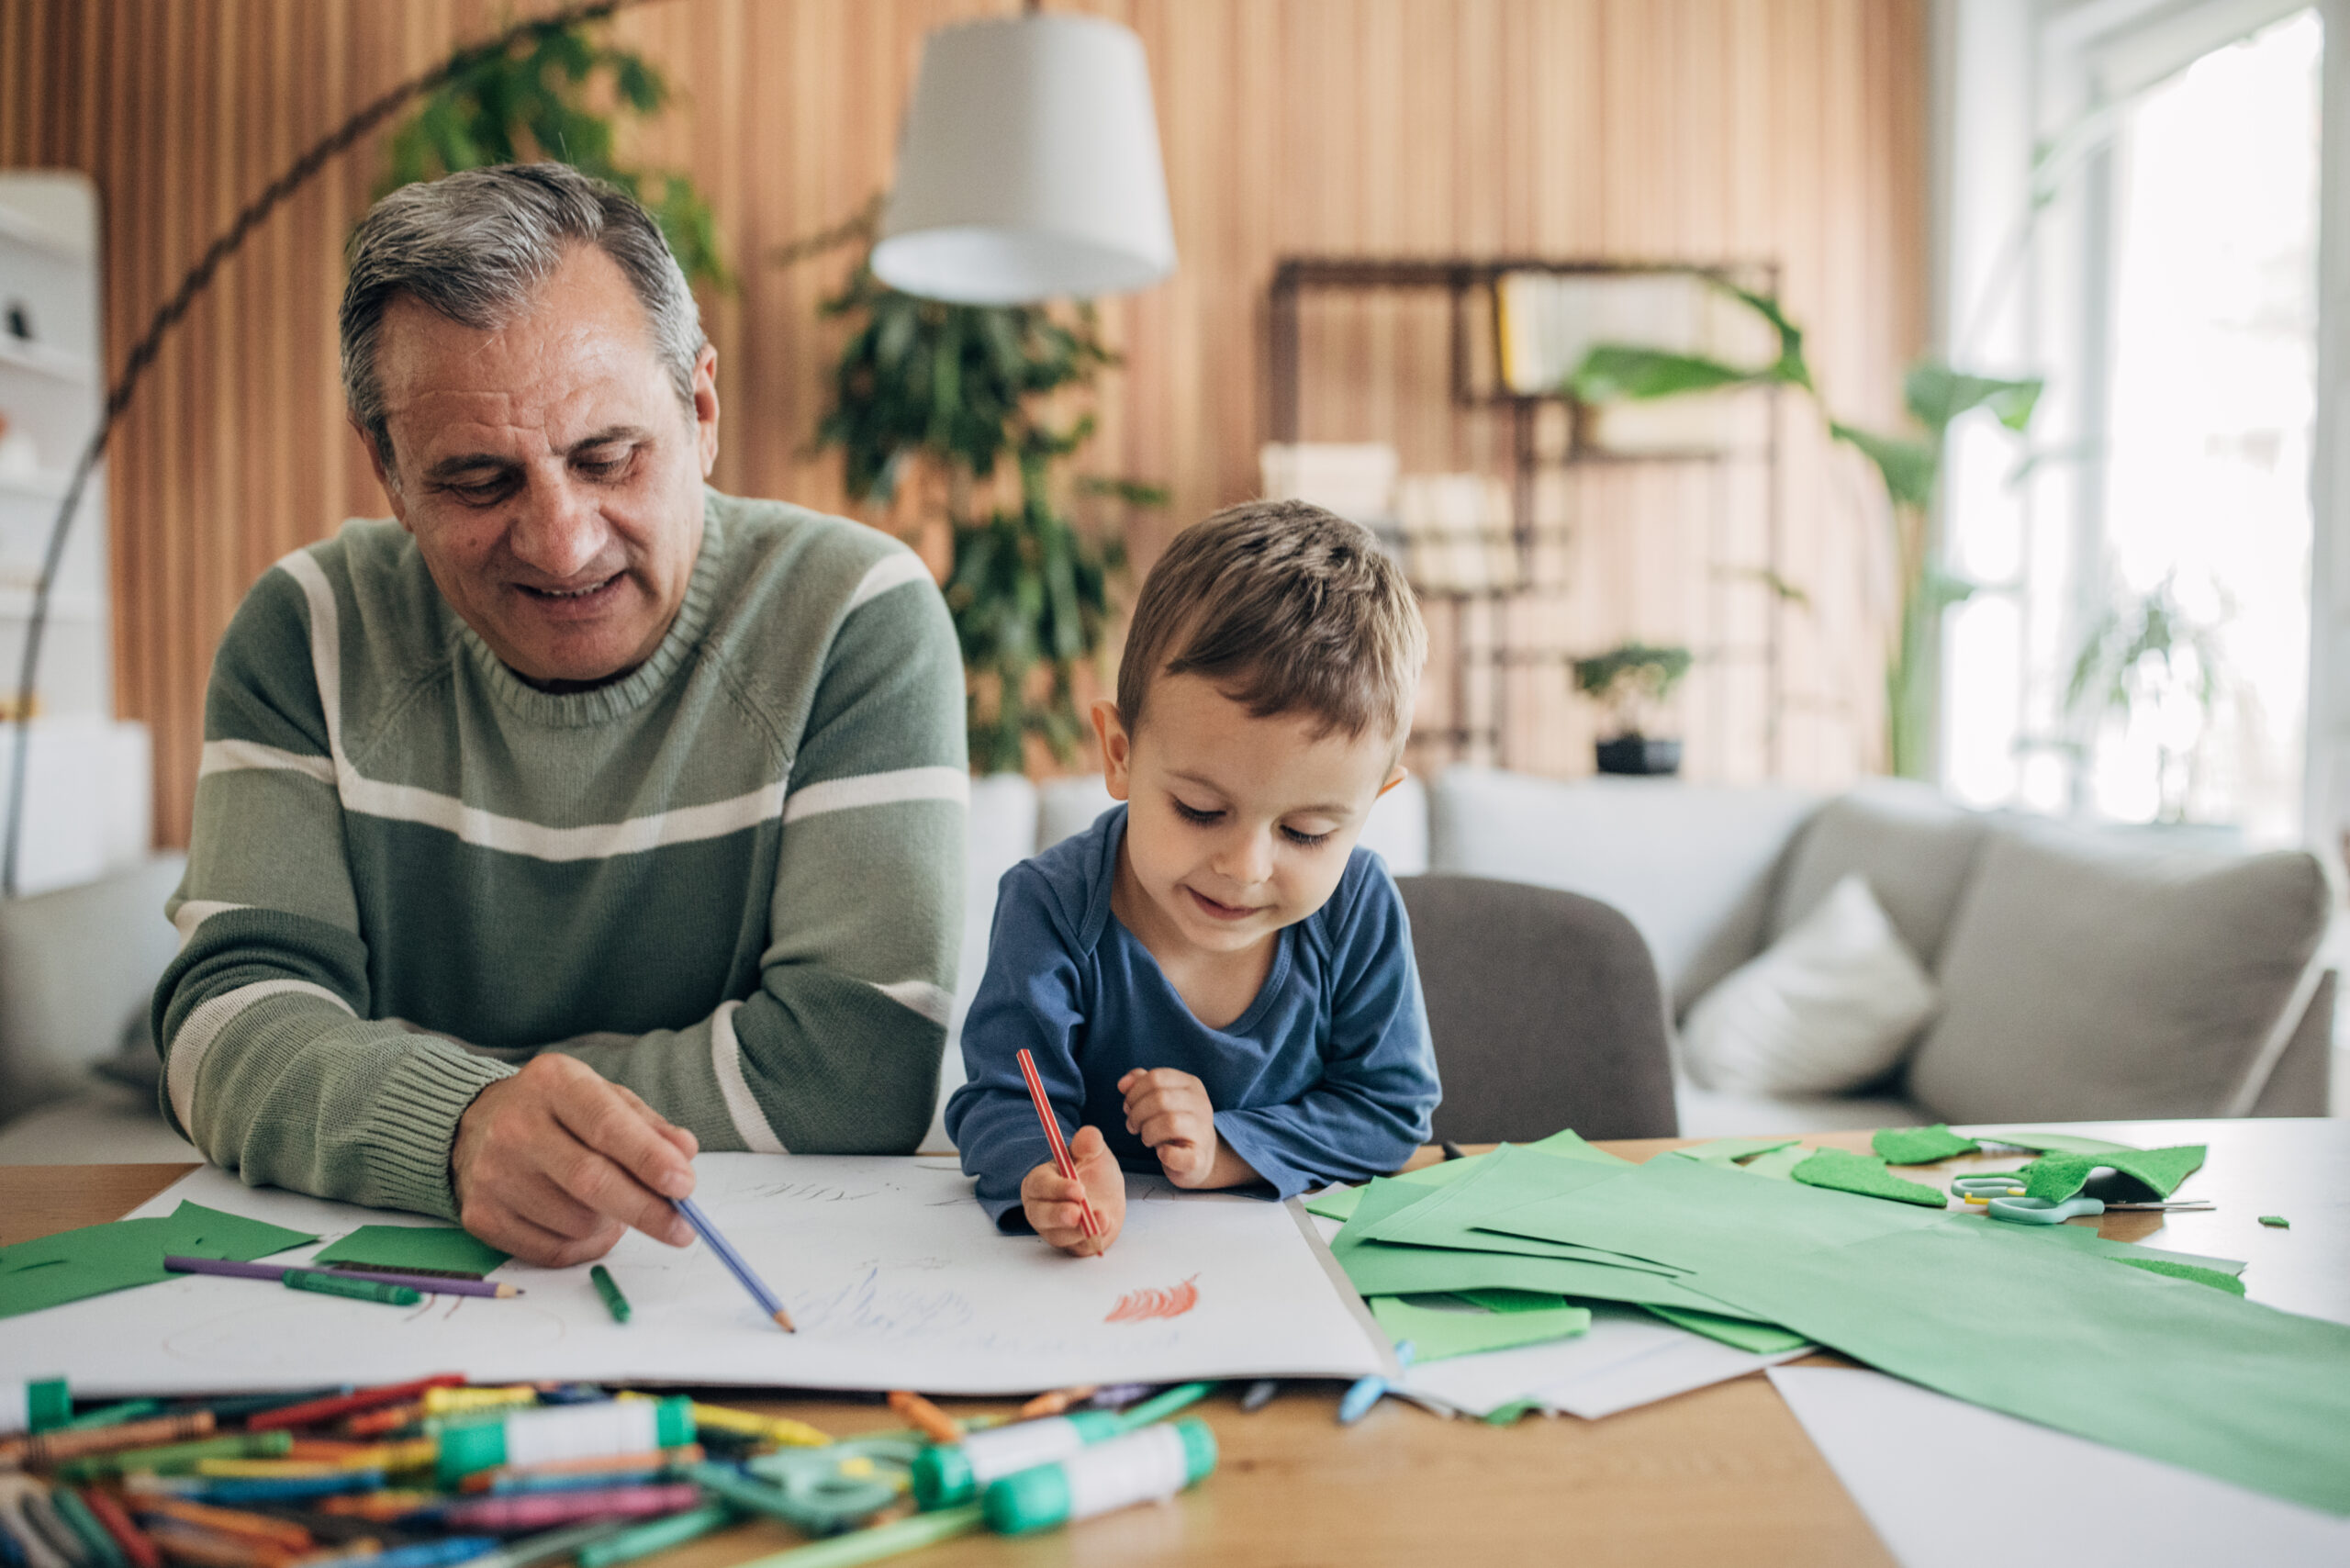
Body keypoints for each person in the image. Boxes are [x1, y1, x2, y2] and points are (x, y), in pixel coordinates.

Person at [153, 163, 968, 1266]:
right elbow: (224, 1025)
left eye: (606, 456)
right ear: (386, 468)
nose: (561, 540)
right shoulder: (306, 629)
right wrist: (462, 1128)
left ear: (703, 408)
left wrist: (474, 1110)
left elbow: (856, 1069)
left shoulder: (852, 614)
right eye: (479, 481)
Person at [945, 500, 1441, 1253]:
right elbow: (1004, 1103)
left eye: (1307, 832)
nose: (1244, 868)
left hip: (1285, 1281)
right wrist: (1046, 1175)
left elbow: (1391, 1114)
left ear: (1371, 805)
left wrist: (1227, 1151)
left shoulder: (1359, 910)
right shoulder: (1049, 907)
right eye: (1200, 809)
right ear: (1120, 755)